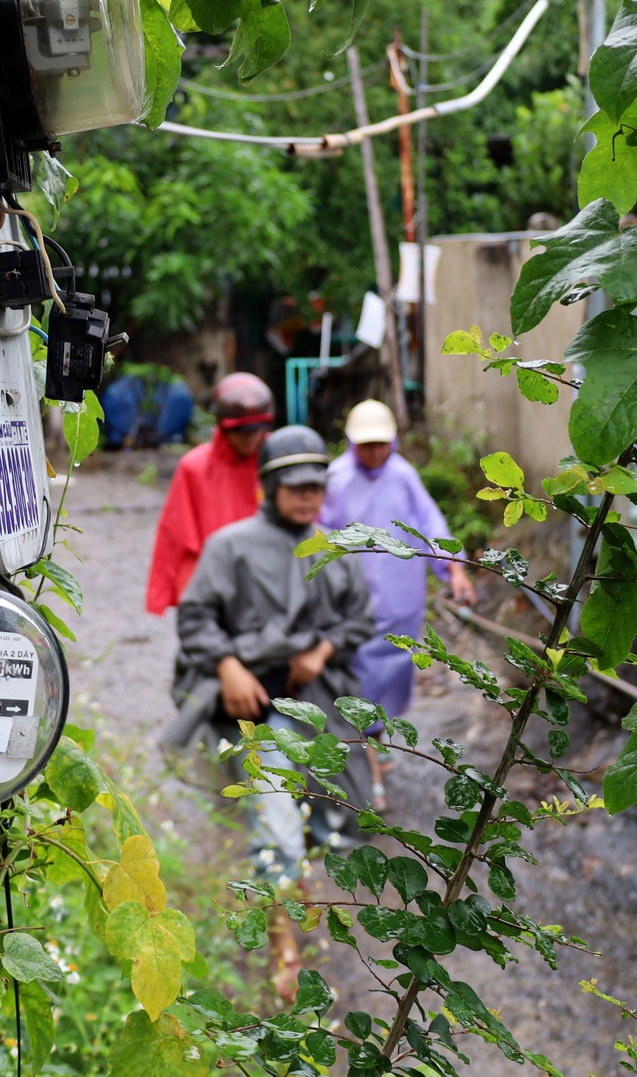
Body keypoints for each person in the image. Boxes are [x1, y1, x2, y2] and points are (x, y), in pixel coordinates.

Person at [168, 425, 372, 1000]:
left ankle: (295, 876)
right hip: (254, 709)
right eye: (296, 486)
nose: (308, 496)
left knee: (337, 815)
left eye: (316, 486)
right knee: (277, 822)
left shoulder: (332, 548)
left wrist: (322, 649)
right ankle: (285, 943)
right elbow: (195, 618)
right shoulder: (229, 546)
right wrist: (228, 665)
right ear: (269, 486)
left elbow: (359, 617)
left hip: (318, 703)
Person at [322, 399, 477, 721]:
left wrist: (454, 569)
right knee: (353, 670)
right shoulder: (336, 479)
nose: (376, 453)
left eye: (381, 444)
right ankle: (359, 734)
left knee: (397, 667)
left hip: (401, 598)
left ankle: (382, 731)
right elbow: (318, 532)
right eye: (367, 446)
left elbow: (430, 522)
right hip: (352, 600)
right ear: (352, 443)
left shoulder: (403, 475)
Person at [144, 372, 273, 615]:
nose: (249, 439)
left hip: (270, 583)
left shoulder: (278, 460)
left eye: (256, 430)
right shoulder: (194, 467)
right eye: (241, 431)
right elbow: (175, 532)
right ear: (224, 427)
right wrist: (163, 593)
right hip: (214, 585)